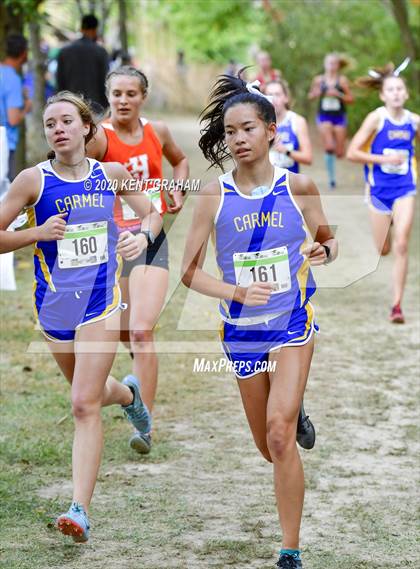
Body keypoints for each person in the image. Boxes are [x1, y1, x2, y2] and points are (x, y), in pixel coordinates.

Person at [181, 74, 338, 568]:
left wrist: (322, 249)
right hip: (242, 331)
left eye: (248, 128)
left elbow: (330, 242)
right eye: (230, 132)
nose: (238, 138)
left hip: (292, 321)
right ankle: (294, 414)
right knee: (269, 448)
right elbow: (187, 272)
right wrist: (235, 291)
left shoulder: (300, 186)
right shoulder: (213, 196)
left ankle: (288, 550)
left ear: (271, 130)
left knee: (278, 433)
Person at [0, 91, 162, 542]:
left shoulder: (110, 174)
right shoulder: (32, 181)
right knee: (88, 390)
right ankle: (130, 396)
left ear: (87, 128)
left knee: (82, 403)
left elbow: (151, 216)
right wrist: (36, 231)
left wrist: (140, 241)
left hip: (100, 303)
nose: (58, 129)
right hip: (55, 308)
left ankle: (79, 510)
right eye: (51, 123)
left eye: (67, 121)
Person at [87, 66, 189, 453]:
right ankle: (132, 392)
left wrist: (176, 188)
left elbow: (179, 160)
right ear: (108, 95)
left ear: (143, 96)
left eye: (131, 94)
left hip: (150, 235)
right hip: (112, 245)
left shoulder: (157, 131)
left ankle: (146, 424)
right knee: (128, 336)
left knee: (143, 333)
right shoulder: (99, 138)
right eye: (116, 94)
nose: (123, 101)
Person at [347, 60, 418, 324]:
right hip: (378, 191)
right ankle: (386, 227)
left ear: (406, 93)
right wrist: (383, 160)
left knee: (402, 244)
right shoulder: (377, 118)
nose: (396, 93)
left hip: (405, 189)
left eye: (400, 89)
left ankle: (397, 305)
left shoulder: (413, 121)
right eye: (391, 90)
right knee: (384, 249)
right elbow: (352, 152)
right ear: (382, 95)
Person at [308, 53, 354, 190]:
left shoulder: (342, 80)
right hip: (324, 116)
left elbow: (351, 99)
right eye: (329, 63)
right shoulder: (318, 80)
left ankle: (338, 146)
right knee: (329, 147)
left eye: (334, 63)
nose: (331, 66)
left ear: (338, 65)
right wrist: (316, 94)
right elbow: (310, 96)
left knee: (340, 153)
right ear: (324, 64)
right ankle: (332, 179)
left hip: (339, 117)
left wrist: (338, 94)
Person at [56, 14, 109, 113]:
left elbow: (60, 83)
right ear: (95, 30)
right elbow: (106, 82)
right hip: (96, 108)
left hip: (71, 107)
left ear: (81, 29)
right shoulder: (100, 52)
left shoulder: (64, 51)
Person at [0, 34, 32, 180]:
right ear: (24, 53)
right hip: (4, 144)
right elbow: (13, 119)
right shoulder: (12, 79)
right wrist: (26, 106)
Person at [264, 79, 312, 173]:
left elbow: (308, 158)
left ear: (286, 98)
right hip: (265, 184)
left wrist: (286, 151)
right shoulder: (260, 123)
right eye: (269, 95)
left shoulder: (297, 121)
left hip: (290, 183)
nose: (273, 99)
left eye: (277, 94)